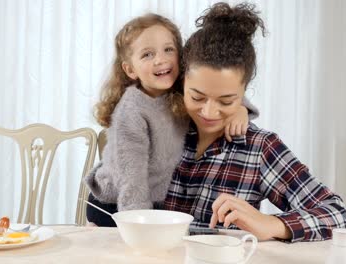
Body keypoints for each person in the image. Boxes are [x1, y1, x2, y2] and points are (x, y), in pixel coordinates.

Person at [164, 2, 346, 242]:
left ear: (244, 91)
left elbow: (339, 214)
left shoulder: (259, 147)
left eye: (226, 100)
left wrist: (272, 224)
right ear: (182, 81)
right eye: (197, 97)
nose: (209, 112)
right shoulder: (159, 128)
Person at [85, 13, 258, 227]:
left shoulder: (181, 87)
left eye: (168, 49)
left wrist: (240, 109)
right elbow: (131, 180)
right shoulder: (131, 113)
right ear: (130, 69)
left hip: (155, 200)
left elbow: (221, 89)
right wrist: (140, 225)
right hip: (115, 204)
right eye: (147, 54)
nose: (160, 59)